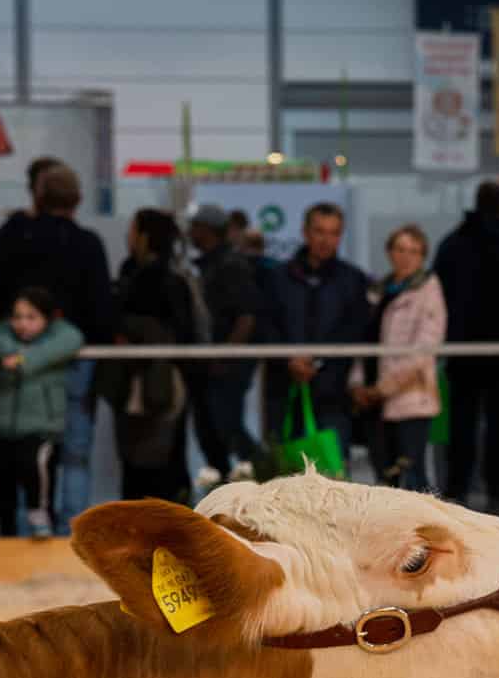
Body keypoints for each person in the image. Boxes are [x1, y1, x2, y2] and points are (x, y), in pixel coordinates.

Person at [0, 163, 116, 530]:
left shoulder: (16, 235)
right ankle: (71, 532)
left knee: (25, 448)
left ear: (37, 196)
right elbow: (102, 310)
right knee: (74, 452)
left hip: (22, 355)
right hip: (76, 358)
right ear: (78, 199)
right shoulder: (87, 243)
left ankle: (28, 533)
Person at [432, 179, 499, 508]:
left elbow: (440, 293)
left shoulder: (454, 243)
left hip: (463, 349)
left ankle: (457, 487)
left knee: (463, 423)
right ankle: (498, 489)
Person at [0, 287, 82, 539]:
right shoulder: (1, 333)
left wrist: (24, 360)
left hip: (41, 428)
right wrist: (8, 349)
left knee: (36, 478)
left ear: (47, 318)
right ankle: (4, 543)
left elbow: (73, 339)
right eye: (17, 316)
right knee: (1, 492)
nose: (22, 324)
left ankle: (40, 521)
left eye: (31, 317)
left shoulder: (61, 334)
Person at [102, 208, 198, 503]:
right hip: (166, 382)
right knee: (166, 459)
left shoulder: (141, 280)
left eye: (132, 229)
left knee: (141, 464)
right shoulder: (175, 278)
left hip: (149, 384)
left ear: (144, 237)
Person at [267, 202, 371, 463]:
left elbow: (354, 330)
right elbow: (266, 326)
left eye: (334, 233)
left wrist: (318, 363)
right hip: (285, 392)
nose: (326, 240)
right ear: (305, 232)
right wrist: (289, 360)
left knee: (332, 482)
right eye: (319, 231)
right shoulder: (277, 278)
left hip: (332, 394)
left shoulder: (353, 280)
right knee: (283, 480)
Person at [352, 224, 445, 493]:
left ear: (423, 256)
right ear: (390, 252)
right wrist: (357, 384)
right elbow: (362, 339)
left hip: (409, 399)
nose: (406, 256)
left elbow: (424, 350)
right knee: (383, 479)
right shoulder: (377, 291)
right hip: (372, 399)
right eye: (401, 249)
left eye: (414, 251)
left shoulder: (429, 290)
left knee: (412, 478)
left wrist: (382, 389)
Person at [186, 203, 262, 487]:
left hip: (225, 366)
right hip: (210, 364)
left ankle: (268, 479)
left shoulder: (230, 265)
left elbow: (246, 316)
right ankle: (223, 491)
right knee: (210, 431)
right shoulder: (208, 265)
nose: (190, 233)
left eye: (194, 227)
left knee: (227, 428)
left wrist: (225, 356)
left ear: (205, 230)